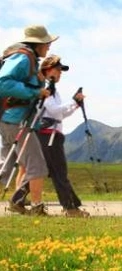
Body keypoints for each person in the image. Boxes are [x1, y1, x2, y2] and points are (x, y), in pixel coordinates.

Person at [0, 25, 58, 215]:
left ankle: (17, 202)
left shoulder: (28, 59)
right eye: (47, 43)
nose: (48, 46)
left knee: (6, 167)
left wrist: (39, 85)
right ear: (38, 43)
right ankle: (36, 207)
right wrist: (35, 91)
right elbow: (3, 82)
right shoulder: (24, 58)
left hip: (11, 120)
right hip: (16, 121)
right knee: (37, 164)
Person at [37, 55, 90, 218]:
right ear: (48, 70)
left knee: (44, 170)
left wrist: (74, 104)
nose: (60, 73)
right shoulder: (47, 88)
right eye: (58, 70)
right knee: (59, 172)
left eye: (61, 71)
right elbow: (54, 110)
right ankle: (71, 208)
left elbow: (58, 114)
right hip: (49, 135)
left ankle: (17, 201)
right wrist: (73, 102)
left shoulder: (52, 89)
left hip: (50, 134)